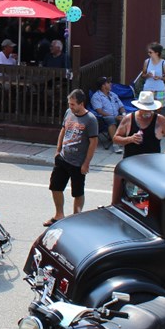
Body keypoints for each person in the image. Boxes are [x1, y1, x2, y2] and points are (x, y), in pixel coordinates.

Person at [47, 89, 99, 226]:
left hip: (78, 162)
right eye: (69, 104)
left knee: (77, 192)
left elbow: (93, 142)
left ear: (81, 104)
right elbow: (63, 130)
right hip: (63, 158)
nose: (70, 107)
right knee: (55, 187)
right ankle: (59, 214)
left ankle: (77, 218)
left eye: (73, 104)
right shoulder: (69, 113)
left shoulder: (91, 120)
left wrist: (86, 163)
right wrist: (58, 150)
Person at [115, 90, 165, 159]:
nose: (147, 111)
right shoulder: (129, 118)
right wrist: (130, 139)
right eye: (144, 109)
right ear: (139, 107)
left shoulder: (160, 120)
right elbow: (116, 139)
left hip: (152, 163)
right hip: (130, 161)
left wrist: (164, 157)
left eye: (150, 109)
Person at [90, 77, 124, 150]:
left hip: (116, 115)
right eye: (108, 83)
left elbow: (121, 106)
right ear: (103, 86)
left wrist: (124, 114)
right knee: (111, 120)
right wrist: (114, 117)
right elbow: (100, 111)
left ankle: (126, 141)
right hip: (103, 118)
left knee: (128, 118)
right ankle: (116, 144)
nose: (110, 84)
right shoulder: (96, 97)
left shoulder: (113, 95)